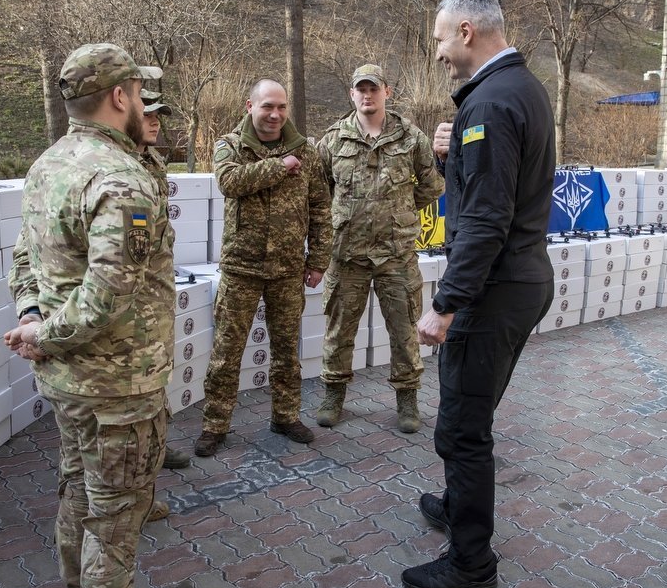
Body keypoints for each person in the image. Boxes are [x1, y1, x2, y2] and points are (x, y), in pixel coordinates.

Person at [5, 42, 172, 588]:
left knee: (79, 496)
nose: (143, 105)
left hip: (68, 383)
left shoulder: (48, 165)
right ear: (120, 97)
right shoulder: (121, 179)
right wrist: (42, 334)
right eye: (139, 93)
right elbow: (107, 296)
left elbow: (23, 257)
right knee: (115, 521)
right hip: (117, 388)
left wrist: (32, 319)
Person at [403, 0, 555, 588]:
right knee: (472, 408)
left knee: (463, 429)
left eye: (440, 39)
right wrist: (450, 161)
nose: (439, 52)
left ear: (466, 31)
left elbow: (487, 220)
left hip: (494, 288)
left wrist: (446, 305)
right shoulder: (518, 88)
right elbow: (492, 191)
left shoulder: (490, 103)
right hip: (519, 279)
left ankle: (471, 562)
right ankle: (457, 502)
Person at [195, 79, 332, 457]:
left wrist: (318, 259)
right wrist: (279, 167)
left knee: (287, 351)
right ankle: (215, 424)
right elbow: (229, 182)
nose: (275, 114)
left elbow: (321, 208)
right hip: (241, 267)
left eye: (281, 107)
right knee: (227, 351)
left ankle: (285, 416)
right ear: (249, 106)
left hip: (288, 269)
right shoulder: (230, 146)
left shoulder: (306, 152)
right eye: (267, 106)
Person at [316, 64, 443, 432]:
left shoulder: (411, 137)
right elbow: (319, 190)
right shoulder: (333, 140)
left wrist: (399, 210)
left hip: (396, 254)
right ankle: (333, 394)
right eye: (361, 89)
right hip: (347, 254)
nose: (367, 95)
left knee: (404, 331)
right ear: (352, 94)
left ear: (387, 92)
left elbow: (433, 185)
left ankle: (408, 399)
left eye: (374, 88)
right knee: (339, 330)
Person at [135, 93, 192, 471]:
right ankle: (136, 453)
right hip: (126, 287)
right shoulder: (114, 165)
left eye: (159, 115)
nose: (156, 122)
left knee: (157, 367)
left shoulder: (153, 160)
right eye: (148, 115)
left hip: (155, 285)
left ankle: (155, 443)